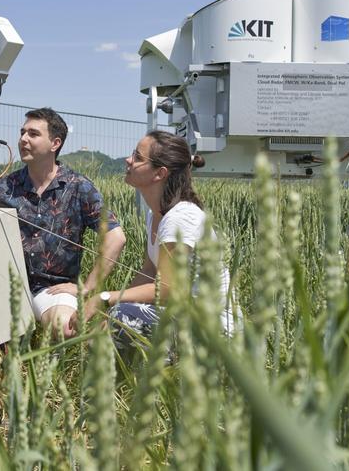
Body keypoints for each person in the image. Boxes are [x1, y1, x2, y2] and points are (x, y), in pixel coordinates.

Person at [77, 130, 236, 349]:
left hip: (212, 328)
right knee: (118, 317)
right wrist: (113, 310)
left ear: (159, 173)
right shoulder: (156, 215)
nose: (128, 160)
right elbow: (148, 272)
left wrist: (105, 298)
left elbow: (169, 288)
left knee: (122, 318)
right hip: (183, 316)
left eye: (138, 157)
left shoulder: (180, 218)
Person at [0, 107, 126, 338]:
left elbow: (115, 237)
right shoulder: (3, 187)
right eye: (22, 132)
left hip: (51, 290)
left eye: (33, 134)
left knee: (65, 327)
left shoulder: (78, 186)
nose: (23, 139)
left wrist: (87, 287)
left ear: (55, 143)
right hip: (4, 285)